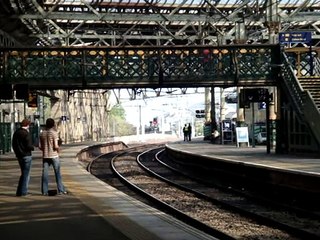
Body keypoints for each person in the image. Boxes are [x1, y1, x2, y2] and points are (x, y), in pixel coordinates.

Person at [39, 118, 67, 196]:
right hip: (54, 155)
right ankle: (61, 190)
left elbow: (40, 146)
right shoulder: (54, 133)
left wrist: (45, 150)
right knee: (57, 173)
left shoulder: (42, 133)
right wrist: (58, 150)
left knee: (45, 174)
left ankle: (44, 191)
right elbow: (55, 145)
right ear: (53, 124)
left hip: (45, 156)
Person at [12, 119, 35, 196]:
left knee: (23, 174)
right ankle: (24, 192)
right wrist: (32, 147)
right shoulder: (26, 133)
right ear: (27, 125)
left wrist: (17, 152)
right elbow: (28, 145)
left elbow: (14, 144)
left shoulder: (16, 132)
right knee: (26, 175)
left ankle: (19, 191)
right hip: (26, 155)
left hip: (19, 156)